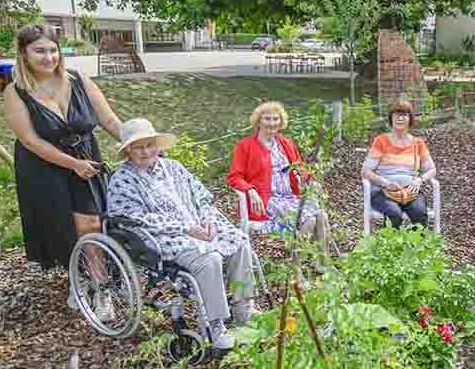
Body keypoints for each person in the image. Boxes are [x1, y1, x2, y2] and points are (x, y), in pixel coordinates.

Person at [108, 118, 256, 351]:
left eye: (149, 144)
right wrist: (185, 228)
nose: (145, 151)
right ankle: (213, 325)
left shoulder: (174, 167)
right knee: (210, 260)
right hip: (163, 235)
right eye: (138, 147)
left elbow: (202, 197)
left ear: (158, 145)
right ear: (127, 151)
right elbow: (133, 217)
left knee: (240, 242)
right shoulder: (122, 179)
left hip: (198, 226)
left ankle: (243, 308)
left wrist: (207, 220)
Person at [2, 24, 122, 306]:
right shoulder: (15, 92)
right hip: (43, 166)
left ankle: (100, 286)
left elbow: (110, 121)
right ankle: (78, 281)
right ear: (24, 54)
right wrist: (72, 164)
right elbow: (30, 140)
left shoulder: (79, 80)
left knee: (92, 223)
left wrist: (141, 143)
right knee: (63, 227)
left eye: (53, 50)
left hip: (85, 159)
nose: (48, 57)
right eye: (39, 51)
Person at [227, 101, 330, 255]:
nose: (272, 123)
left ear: (281, 122)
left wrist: (311, 180)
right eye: (267, 118)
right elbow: (234, 177)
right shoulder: (245, 146)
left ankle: (322, 261)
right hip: (267, 200)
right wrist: (251, 190)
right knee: (310, 219)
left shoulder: (285, 143)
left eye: (276, 119)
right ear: (258, 121)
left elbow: (299, 168)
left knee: (321, 215)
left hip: (290, 197)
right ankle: (296, 268)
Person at [362, 100, 438, 229]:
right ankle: (389, 248)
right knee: (394, 214)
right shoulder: (381, 141)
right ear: (391, 118)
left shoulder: (418, 143)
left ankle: (413, 247)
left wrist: (419, 180)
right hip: (383, 192)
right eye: (396, 114)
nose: (400, 118)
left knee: (420, 215)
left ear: (410, 119)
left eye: (404, 115)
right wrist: (386, 183)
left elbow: (431, 169)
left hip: (410, 192)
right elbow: (366, 171)